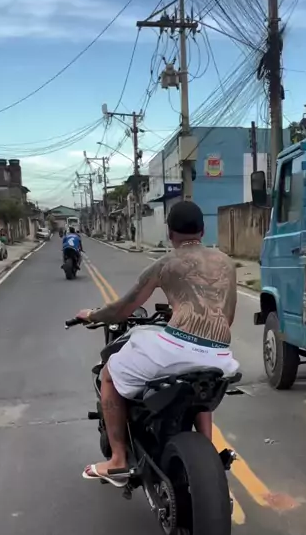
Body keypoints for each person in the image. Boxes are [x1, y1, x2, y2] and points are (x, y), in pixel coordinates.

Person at [75, 200, 239, 483]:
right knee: (199, 383)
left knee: (109, 373)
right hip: (220, 355)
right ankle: (209, 449)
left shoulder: (165, 264)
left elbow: (122, 309)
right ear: (202, 230)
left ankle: (117, 460)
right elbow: (228, 317)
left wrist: (92, 315)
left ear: (170, 233)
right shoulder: (226, 263)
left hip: (177, 347)